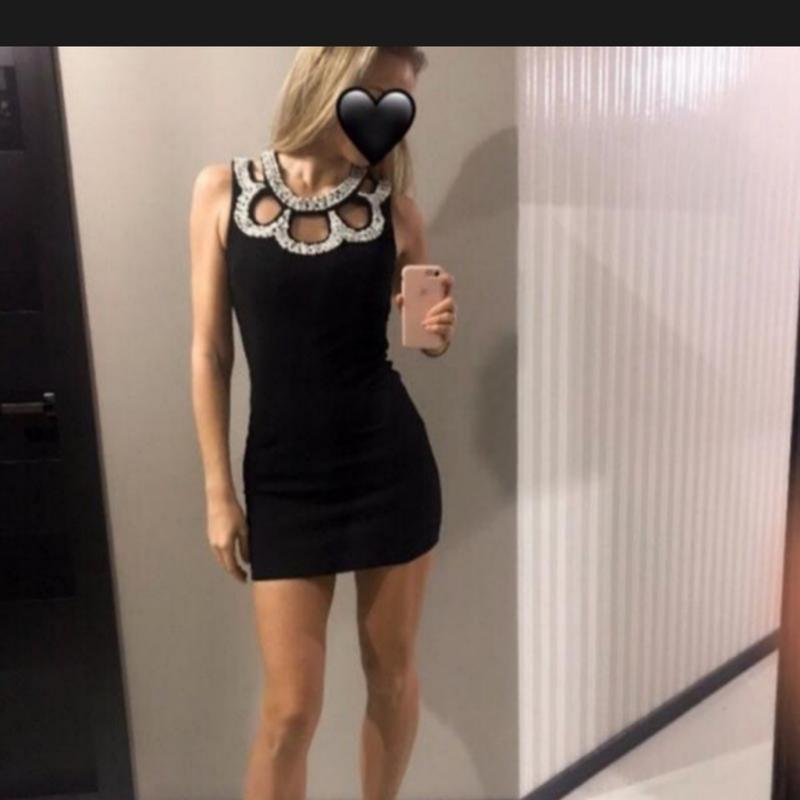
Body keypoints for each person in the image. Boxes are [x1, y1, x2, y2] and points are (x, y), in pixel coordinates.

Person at [189, 46, 457, 799]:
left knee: (391, 678)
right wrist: (218, 493)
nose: (389, 126)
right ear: (329, 82)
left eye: (401, 108)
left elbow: (423, 337)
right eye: (378, 98)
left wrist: (438, 331)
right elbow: (210, 352)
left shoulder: (396, 212)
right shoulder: (221, 191)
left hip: (388, 469)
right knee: (289, 713)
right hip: (283, 479)